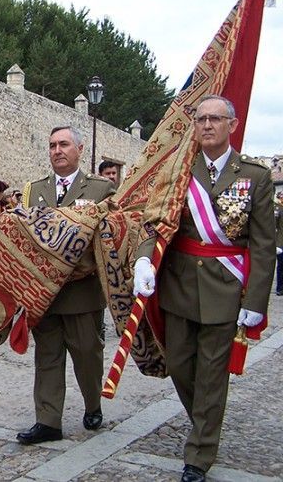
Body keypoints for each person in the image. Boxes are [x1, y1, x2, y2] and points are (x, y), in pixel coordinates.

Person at [133, 95, 275, 482]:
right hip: (178, 285)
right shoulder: (179, 170)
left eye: (216, 119)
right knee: (180, 365)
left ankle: (198, 453)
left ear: (233, 124)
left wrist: (257, 299)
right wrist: (145, 258)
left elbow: (262, 245)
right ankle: (205, 421)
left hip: (225, 288)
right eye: (201, 119)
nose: (208, 125)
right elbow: (155, 223)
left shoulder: (256, 176)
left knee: (213, 374)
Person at [17, 125, 115, 444]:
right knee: (47, 356)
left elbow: (112, 239)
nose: (57, 150)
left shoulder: (101, 190)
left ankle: (92, 403)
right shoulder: (35, 189)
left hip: (82, 292)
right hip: (44, 294)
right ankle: (48, 421)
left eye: (63, 144)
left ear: (79, 149)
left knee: (87, 354)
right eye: (52, 146)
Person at [275, 192, 283, 296]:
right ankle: (280, 288)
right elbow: (274, 227)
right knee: (281, 265)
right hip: (281, 242)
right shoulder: (278, 209)